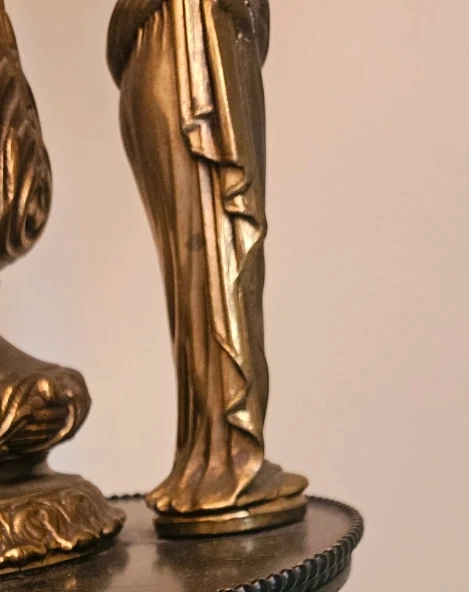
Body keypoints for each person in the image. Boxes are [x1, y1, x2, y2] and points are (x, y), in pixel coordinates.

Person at [109, 0, 307, 526]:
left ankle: (213, 456)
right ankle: (221, 458)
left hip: (191, 50)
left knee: (213, 262)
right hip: (188, 54)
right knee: (208, 261)